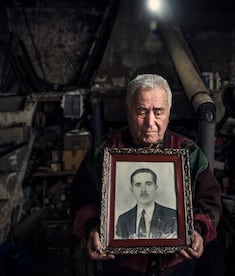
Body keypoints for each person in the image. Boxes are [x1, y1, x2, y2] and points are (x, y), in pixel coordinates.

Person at [69, 74, 222, 276]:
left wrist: (198, 231)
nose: (150, 122)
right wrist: (93, 229)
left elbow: (210, 200)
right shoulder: (105, 151)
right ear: (127, 111)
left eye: (158, 112)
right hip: (122, 266)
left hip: (175, 265)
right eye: (141, 111)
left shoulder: (188, 152)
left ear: (169, 113)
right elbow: (80, 199)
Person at [115, 167, 177, 239]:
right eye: (138, 185)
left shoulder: (172, 216)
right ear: (132, 189)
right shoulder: (123, 219)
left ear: (155, 187)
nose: (143, 190)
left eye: (148, 184)